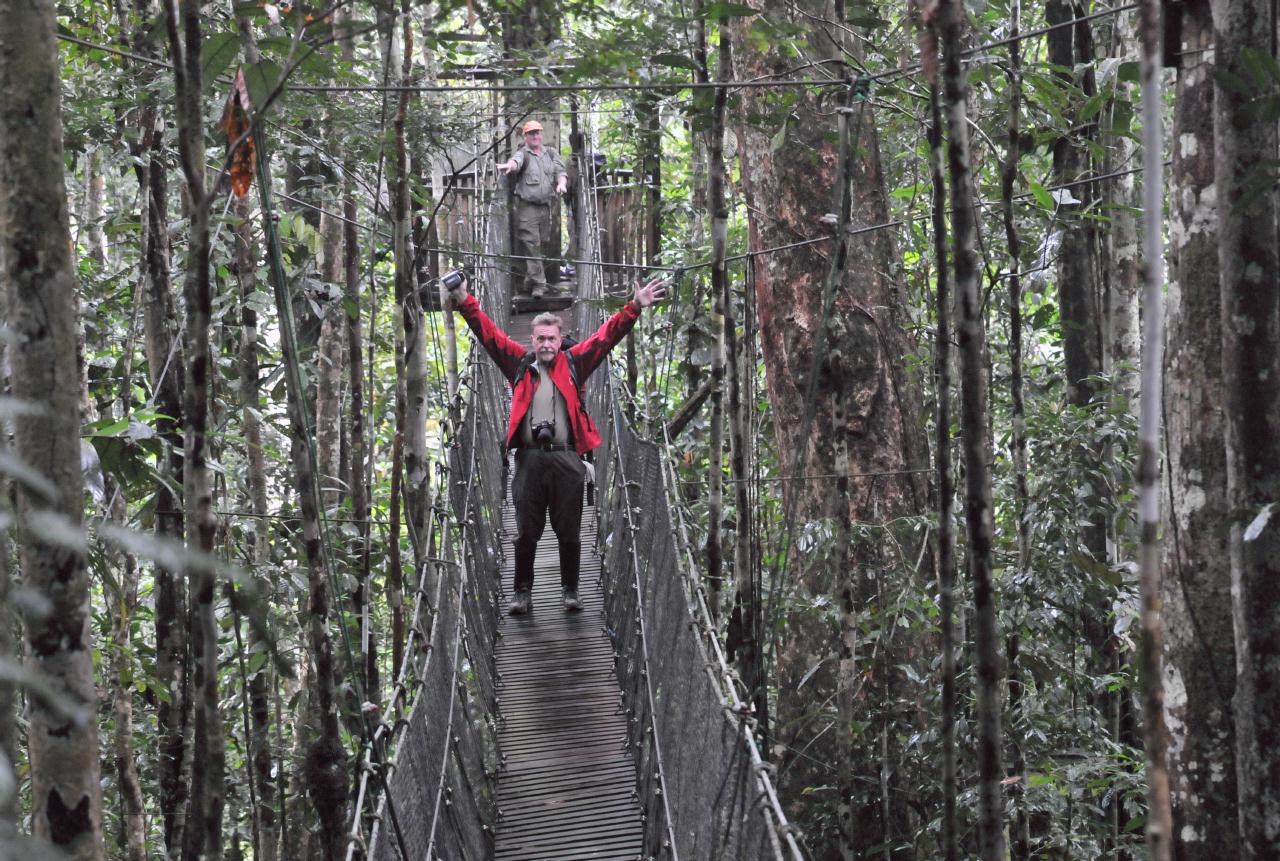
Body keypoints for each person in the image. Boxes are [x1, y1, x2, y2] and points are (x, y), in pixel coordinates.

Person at [446, 275, 667, 614]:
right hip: (529, 461)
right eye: (541, 339)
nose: (546, 344)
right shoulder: (518, 364)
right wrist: (463, 299)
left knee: (569, 530)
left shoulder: (576, 362)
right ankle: (522, 594)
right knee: (526, 532)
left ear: (560, 339)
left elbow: (606, 337)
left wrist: (635, 306)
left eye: (552, 338)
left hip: (567, 461)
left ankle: (570, 591)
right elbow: (488, 335)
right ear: (532, 341)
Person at [497, 120, 568, 299]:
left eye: (537, 133)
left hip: (546, 207)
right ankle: (539, 284)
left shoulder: (550, 153)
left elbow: (561, 171)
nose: (535, 136)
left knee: (541, 244)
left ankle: (530, 278)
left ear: (541, 134)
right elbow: (516, 162)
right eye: (531, 133)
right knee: (532, 245)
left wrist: (561, 184)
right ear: (526, 136)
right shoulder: (523, 154)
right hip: (527, 208)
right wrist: (509, 166)